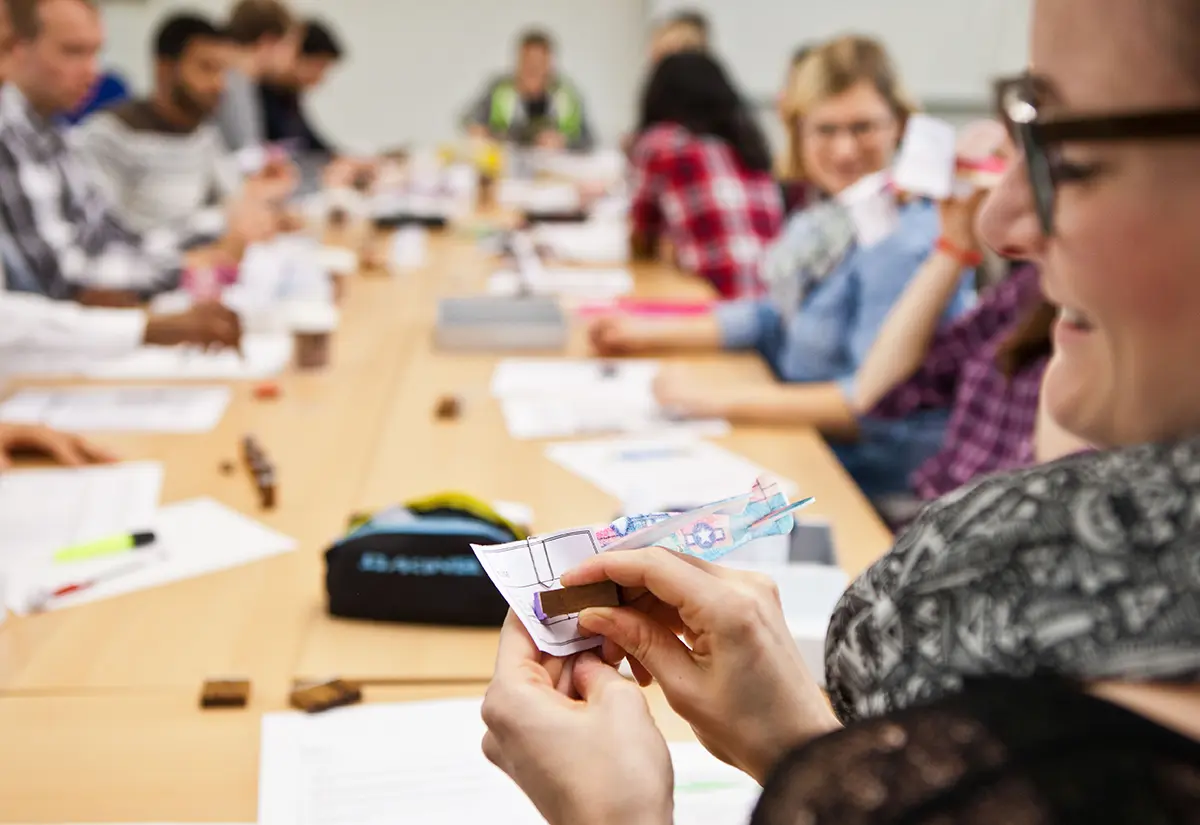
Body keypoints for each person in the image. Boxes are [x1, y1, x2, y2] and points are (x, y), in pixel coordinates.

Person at [480, 0, 1200, 820]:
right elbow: (823, 341)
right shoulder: (837, 226)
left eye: (1059, 150)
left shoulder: (1103, 751)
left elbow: (872, 397)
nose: (1002, 218)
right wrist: (797, 744)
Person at [594, 37, 973, 498]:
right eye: (826, 130)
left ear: (901, 126)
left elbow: (868, 407)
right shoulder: (831, 217)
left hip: (867, 476)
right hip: (815, 443)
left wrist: (711, 399)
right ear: (798, 132)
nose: (845, 150)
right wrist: (646, 332)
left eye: (863, 127)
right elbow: (775, 316)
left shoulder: (907, 239)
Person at [0, 0, 243, 355]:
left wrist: (198, 255)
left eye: (95, 53)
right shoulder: (12, 137)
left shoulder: (50, 133)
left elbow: (110, 233)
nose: (93, 72)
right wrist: (177, 275)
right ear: (13, 48)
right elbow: (64, 280)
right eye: (73, 52)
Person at [73, 14, 252, 240]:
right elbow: (105, 240)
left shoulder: (202, 132)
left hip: (202, 262)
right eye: (207, 68)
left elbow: (235, 202)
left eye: (223, 71)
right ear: (165, 69)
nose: (219, 84)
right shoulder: (109, 135)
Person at [626, 51, 782, 300]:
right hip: (770, 304)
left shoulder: (661, 143)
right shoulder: (748, 145)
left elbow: (642, 236)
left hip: (716, 306)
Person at [462, 29, 593, 151]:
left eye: (539, 63)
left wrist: (564, 142)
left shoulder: (567, 95)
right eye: (527, 61)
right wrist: (482, 132)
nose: (532, 68)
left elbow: (588, 140)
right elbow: (469, 119)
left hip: (555, 169)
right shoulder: (499, 89)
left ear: (549, 64)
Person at [216, 0, 298, 153]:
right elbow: (245, 155)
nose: (292, 56)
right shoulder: (231, 83)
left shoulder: (242, 81)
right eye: (288, 44)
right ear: (269, 41)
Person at [259, 18, 340, 157]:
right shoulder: (255, 94)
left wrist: (339, 159)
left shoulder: (289, 95)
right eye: (319, 67)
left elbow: (309, 142)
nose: (320, 78)